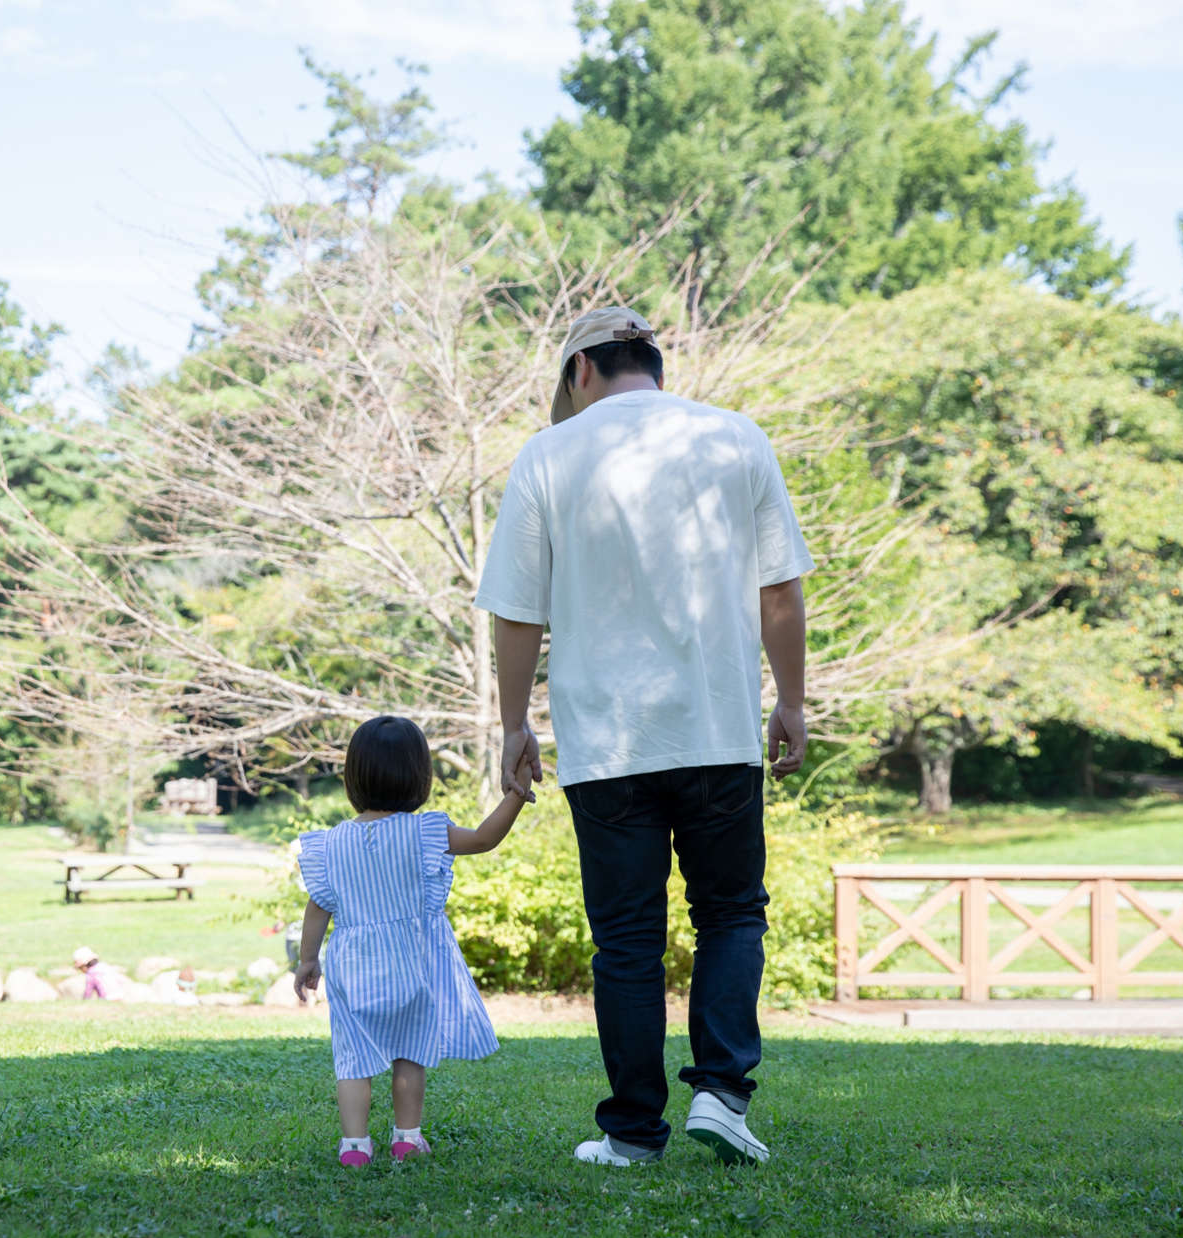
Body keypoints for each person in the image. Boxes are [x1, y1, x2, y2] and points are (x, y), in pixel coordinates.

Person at [474, 306, 812, 1168]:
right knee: (732, 913)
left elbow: (517, 612)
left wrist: (514, 726)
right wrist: (792, 703)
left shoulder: (549, 454)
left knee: (626, 939)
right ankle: (723, 1095)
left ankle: (631, 1134)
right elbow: (780, 592)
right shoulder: (738, 438)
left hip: (607, 742)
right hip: (717, 728)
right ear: (652, 364)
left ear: (582, 370)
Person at [290, 715, 534, 1167]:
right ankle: (406, 1139)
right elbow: (484, 838)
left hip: (352, 963)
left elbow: (317, 905)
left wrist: (308, 960)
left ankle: (355, 1148)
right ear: (420, 775)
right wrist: (516, 791)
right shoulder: (424, 833)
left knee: (353, 1057)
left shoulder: (331, 843)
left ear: (353, 776)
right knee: (408, 1051)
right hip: (410, 961)